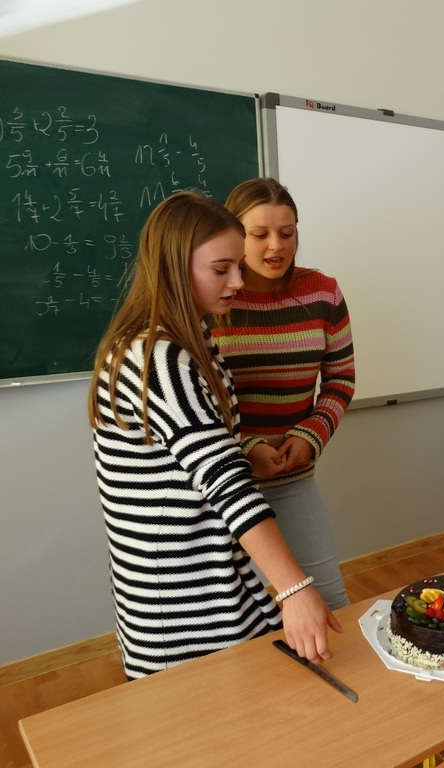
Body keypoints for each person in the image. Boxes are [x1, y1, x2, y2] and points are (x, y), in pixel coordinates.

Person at [88, 190, 342, 679]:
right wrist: (294, 589)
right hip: (183, 604)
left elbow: (207, 454)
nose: (239, 282)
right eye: (222, 269)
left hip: (211, 580)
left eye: (238, 267)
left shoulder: (193, 340)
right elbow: (225, 484)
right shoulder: (159, 360)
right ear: (172, 269)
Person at [210, 178, 356, 610]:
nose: (276, 246)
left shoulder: (322, 291)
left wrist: (311, 435)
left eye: (287, 232)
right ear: (234, 236)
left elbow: (341, 378)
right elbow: (199, 400)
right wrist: (246, 446)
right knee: (234, 613)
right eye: (259, 234)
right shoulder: (213, 300)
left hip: (292, 478)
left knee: (327, 598)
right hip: (222, 482)